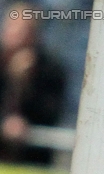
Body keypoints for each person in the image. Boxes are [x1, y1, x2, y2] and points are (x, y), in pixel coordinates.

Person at [0, 2, 66, 165]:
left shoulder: (50, 70)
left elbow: (50, 113)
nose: (15, 34)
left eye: (22, 29)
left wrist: (26, 84)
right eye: (12, 27)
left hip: (30, 161)